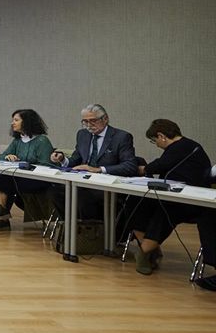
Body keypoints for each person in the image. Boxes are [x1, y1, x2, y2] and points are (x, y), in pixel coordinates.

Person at [121, 119, 212, 275]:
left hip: (191, 202)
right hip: (174, 195)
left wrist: (141, 169)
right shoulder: (183, 147)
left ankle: (144, 252)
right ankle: (150, 249)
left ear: (161, 136)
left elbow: (159, 165)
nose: (156, 144)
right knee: (135, 201)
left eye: (154, 141)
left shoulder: (183, 147)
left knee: (164, 210)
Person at [50, 104, 137, 219]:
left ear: (105, 119)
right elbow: (77, 159)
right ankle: (74, 225)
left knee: (82, 195)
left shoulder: (121, 137)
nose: (89, 125)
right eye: (85, 122)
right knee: (54, 190)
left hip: (106, 185)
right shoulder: (82, 134)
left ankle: (90, 230)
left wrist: (98, 170)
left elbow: (130, 166)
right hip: (83, 181)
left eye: (93, 121)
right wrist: (62, 159)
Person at [0, 109, 56, 231]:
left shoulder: (42, 141)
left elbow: (45, 166)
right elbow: (1, 156)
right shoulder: (17, 140)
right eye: (13, 120)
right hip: (20, 178)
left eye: (16, 120)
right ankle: (1, 213)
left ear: (27, 122)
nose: (12, 123)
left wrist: (25, 165)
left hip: (38, 180)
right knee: (3, 176)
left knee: (5, 179)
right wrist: (8, 157)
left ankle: (2, 215)